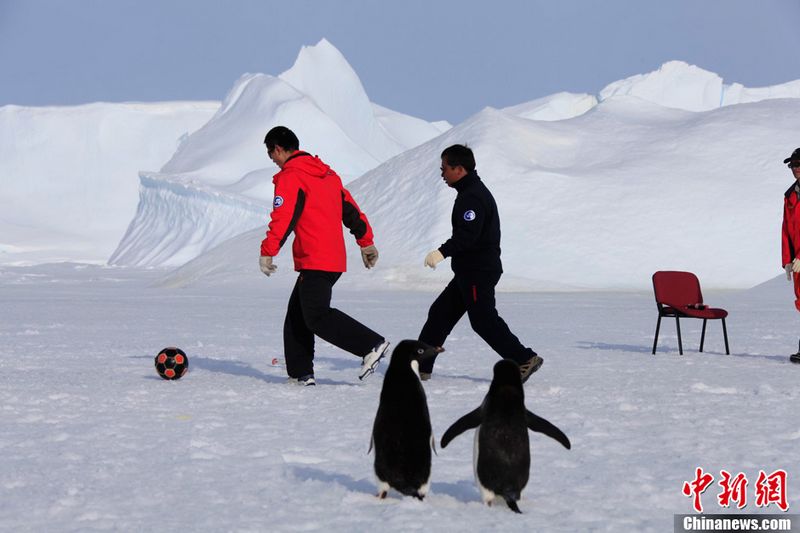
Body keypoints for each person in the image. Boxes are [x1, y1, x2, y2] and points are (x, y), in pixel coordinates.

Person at [259, 126, 389, 385]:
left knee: (316, 316)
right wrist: (366, 242)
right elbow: (350, 209)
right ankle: (301, 374)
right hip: (332, 258)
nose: (272, 159)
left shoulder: (291, 176)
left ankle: (370, 344)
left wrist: (268, 251)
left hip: (314, 258)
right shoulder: (327, 174)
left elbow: (284, 216)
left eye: (270, 153)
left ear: (278, 149)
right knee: (297, 316)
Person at [418, 144, 543, 382]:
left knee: (483, 321)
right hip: (469, 271)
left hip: (478, 271)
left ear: (459, 169)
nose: (442, 173)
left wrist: (441, 252)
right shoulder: (469, 192)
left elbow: (468, 235)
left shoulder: (472, 197)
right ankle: (420, 367)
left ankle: (524, 358)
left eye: (444, 168)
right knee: (440, 314)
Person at [780, 147, 800, 364]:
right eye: (793, 165)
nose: (795, 168)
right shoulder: (790, 195)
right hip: (797, 263)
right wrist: (787, 259)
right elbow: (786, 229)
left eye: (798, 164)